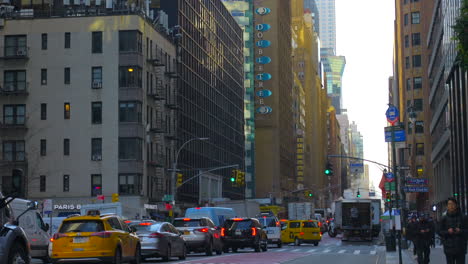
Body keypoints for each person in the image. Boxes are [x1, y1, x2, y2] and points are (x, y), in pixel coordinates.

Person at [438, 197, 468, 264]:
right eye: (449, 204)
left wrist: (460, 231)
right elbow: (439, 231)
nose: (450, 206)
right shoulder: (444, 218)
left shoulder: (464, 217)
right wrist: (447, 232)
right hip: (448, 248)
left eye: (452, 204)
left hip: (461, 248)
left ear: (456, 205)